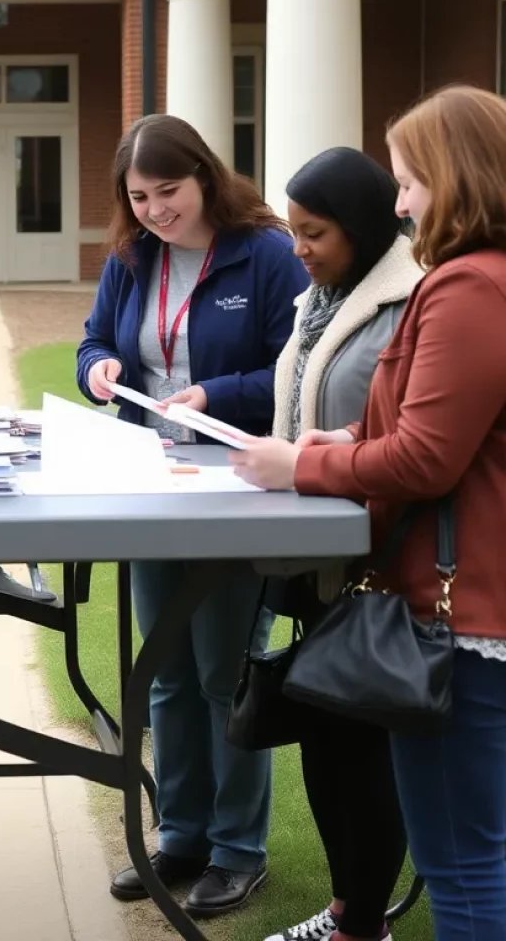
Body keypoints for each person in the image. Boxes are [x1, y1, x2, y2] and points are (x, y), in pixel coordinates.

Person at [232, 84, 506, 941]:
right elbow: (429, 424)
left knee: (462, 862)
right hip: (464, 612)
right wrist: (352, 436)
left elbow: (427, 457)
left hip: (458, 617)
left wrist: (305, 460)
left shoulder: (468, 287)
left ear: (456, 177)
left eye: (411, 179)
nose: (401, 201)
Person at [77, 114, 308, 917]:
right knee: (165, 673)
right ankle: (180, 835)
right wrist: (98, 367)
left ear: (205, 177)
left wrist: (216, 394)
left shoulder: (267, 255)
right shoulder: (131, 256)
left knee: (225, 674)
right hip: (148, 478)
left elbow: (292, 367)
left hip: (237, 480)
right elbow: (93, 341)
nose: (153, 210)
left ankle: (238, 850)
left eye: (167, 191)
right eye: (138, 196)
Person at [263, 147, 422, 941]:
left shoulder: (410, 302)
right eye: (293, 231)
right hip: (320, 561)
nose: (299, 247)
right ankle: (344, 911)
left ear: (360, 227)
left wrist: (307, 463)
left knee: (367, 755)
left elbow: (409, 439)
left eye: (313, 231)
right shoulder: (321, 298)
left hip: (382, 570)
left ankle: (364, 922)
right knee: (326, 743)